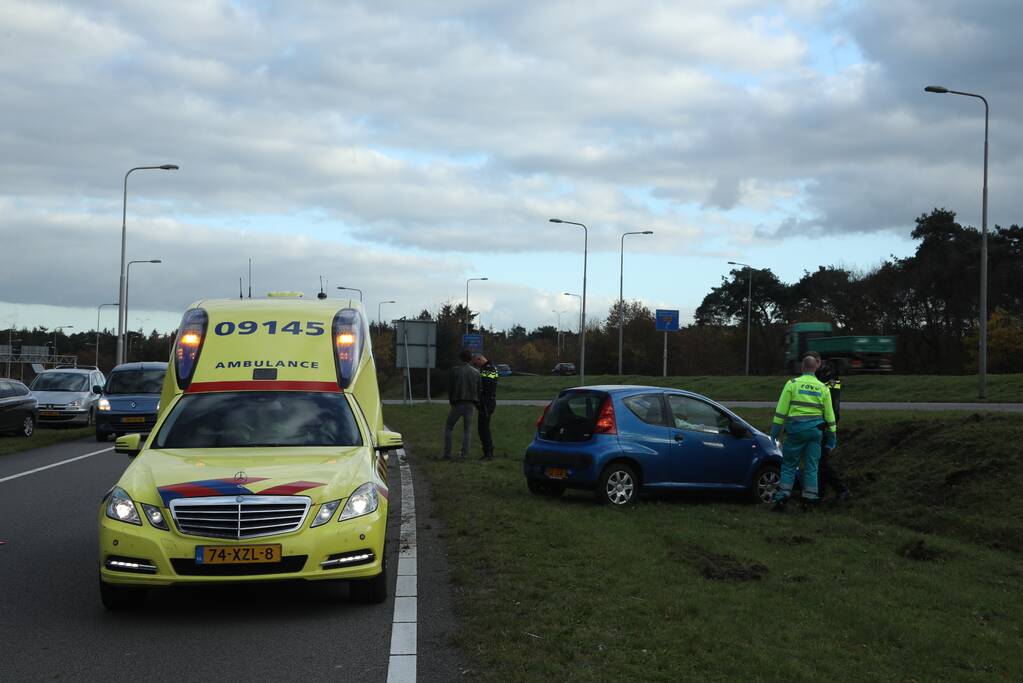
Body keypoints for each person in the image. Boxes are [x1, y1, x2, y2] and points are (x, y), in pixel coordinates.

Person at [769, 353, 837, 512]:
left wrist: (774, 432)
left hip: (795, 432)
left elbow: (781, 412)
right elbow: (830, 414)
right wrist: (832, 436)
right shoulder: (823, 387)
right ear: (816, 367)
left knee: (789, 465)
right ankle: (809, 500)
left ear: (802, 367)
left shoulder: (792, 384)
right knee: (812, 466)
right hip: (815, 433)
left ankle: (783, 497)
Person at [815, 359, 851, 501]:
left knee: (821, 461)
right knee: (819, 461)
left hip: (826, 423)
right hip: (821, 423)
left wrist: (830, 424)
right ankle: (820, 494)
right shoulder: (823, 375)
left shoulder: (830, 377)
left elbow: (834, 401)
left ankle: (841, 489)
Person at [443, 350, 480, 460]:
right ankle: (464, 454)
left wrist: (451, 400)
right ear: (470, 359)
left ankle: (447, 453)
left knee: (449, 427)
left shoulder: (455, 371)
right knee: (467, 429)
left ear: (461, 358)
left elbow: (450, 387)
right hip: (470, 404)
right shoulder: (476, 372)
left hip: (458, 403)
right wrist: (476, 402)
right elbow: (478, 389)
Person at [473, 354, 499, 460]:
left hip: (486, 402)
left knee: (483, 429)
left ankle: (488, 452)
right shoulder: (489, 368)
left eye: (476, 363)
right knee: (483, 428)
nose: (476, 365)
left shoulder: (488, 369)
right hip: (487, 401)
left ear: (480, 359)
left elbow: (485, 386)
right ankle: (488, 450)